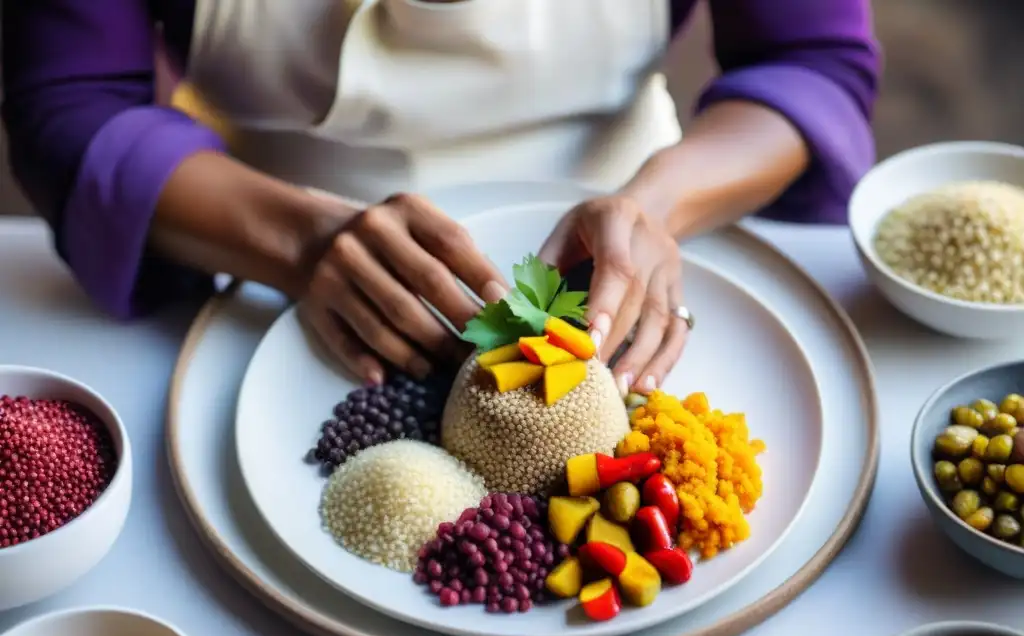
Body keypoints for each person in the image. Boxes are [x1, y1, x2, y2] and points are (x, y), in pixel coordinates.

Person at [1, 1, 880, 395]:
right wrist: (298, 240)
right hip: (258, 246)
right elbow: (71, 100)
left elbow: (810, 63)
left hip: (632, 255)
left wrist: (659, 206)